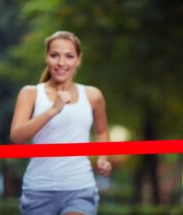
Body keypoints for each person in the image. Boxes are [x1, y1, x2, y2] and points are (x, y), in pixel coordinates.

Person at [10, 31, 112, 215]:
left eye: (69, 56)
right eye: (54, 55)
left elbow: (102, 130)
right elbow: (17, 136)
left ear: (79, 60)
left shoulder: (93, 95)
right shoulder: (30, 93)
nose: (61, 63)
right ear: (46, 58)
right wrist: (52, 111)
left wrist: (103, 157)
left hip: (79, 189)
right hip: (38, 191)